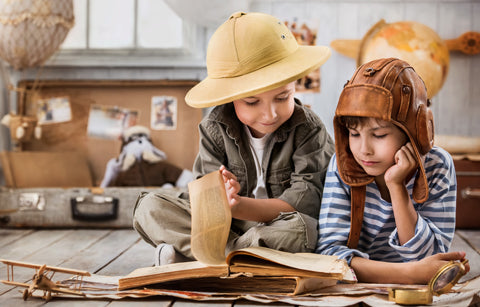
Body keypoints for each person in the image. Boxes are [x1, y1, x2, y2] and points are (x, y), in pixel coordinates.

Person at [133, 11, 335, 265]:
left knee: (304, 230)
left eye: (282, 97)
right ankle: (238, 255)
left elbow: (306, 202)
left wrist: (241, 206)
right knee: (148, 207)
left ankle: (209, 256)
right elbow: (205, 202)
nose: (270, 113)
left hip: (278, 226)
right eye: (252, 102)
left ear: (295, 85)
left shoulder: (309, 129)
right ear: (231, 97)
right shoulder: (214, 129)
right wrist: (219, 198)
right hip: (227, 226)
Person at [316, 57, 469, 284]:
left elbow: (430, 259)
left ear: (414, 132)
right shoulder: (342, 164)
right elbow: (328, 256)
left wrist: (397, 187)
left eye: (379, 135)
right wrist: (409, 274)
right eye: (354, 134)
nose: (364, 150)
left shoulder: (437, 166)